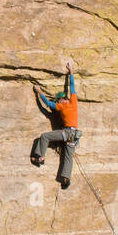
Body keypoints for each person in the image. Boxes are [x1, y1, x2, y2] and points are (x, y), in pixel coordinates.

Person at [30, 58, 79, 189]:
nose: (60, 101)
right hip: (75, 135)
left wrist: (39, 92)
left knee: (45, 136)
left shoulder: (60, 107)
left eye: (60, 100)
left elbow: (47, 104)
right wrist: (71, 71)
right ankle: (65, 178)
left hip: (67, 133)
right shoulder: (73, 102)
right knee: (68, 156)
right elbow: (72, 87)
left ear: (60, 100)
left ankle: (40, 157)